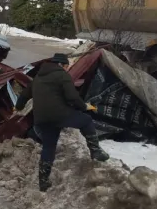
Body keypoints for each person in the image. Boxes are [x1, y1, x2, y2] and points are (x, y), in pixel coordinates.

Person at [14, 53, 109, 192]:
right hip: (59, 114)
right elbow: (72, 97)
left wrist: (18, 107)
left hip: (41, 118)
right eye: (66, 66)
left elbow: (24, 95)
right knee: (86, 121)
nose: (66, 68)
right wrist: (84, 106)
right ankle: (95, 152)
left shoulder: (38, 77)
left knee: (49, 146)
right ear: (61, 65)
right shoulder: (62, 75)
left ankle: (43, 182)